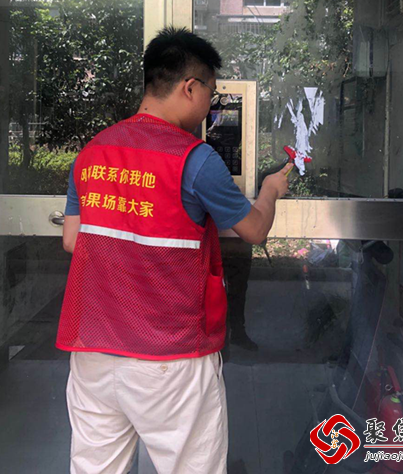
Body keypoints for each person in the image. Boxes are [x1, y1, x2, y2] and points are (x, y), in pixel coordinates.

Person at [56, 27, 292, 474]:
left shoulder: (93, 151)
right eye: (211, 94)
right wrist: (270, 190)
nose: (209, 106)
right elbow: (254, 230)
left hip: (94, 355)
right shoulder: (195, 159)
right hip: (171, 358)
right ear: (190, 87)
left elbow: (73, 239)